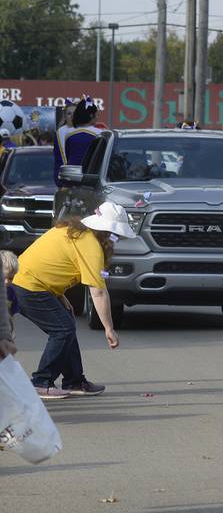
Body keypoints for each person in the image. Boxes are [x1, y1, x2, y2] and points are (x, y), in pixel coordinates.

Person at [11, 202, 135, 400]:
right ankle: (41, 382)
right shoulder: (91, 246)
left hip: (27, 281)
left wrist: (59, 294)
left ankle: (75, 381)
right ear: (104, 230)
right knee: (63, 329)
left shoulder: (73, 230)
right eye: (115, 234)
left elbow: (50, 261)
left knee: (65, 325)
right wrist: (109, 328)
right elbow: (99, 292)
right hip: (29, 286)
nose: (116, 238)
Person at [55, 97, 102, 186]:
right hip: (94, 179)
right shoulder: (100, 134)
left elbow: (65, 158)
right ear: (91, 116)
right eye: (96, 114)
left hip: (72, 179)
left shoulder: (69, 134)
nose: (97, 117)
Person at [53, 98, 77, 183]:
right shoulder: (60, 132)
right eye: (69, 113)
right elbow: (58, 157)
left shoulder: (83, 131)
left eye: (75, 113)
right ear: (65, 116)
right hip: (65, 177)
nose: (72, 116)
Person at [1, 250, 19, 340]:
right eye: (3, 277)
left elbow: (11, 313)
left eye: (10, 278)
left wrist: (13, 330)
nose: (7, 281)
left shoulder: (11, 291)